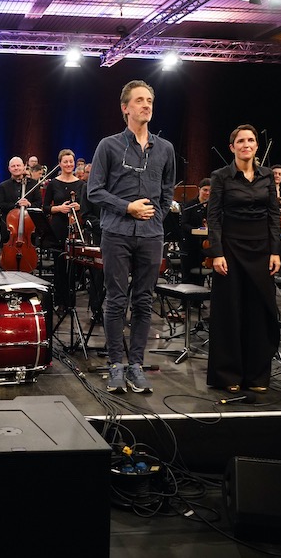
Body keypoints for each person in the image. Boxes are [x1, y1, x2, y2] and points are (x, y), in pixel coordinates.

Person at [87, 80, 175, 394]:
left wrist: (156, 218)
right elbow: (94, 191)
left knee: (143, 300)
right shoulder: (108, 146)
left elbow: (167, 192)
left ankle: (136, 365)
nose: (146, 105)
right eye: (139, 100)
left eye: (149, 100)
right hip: (117, 232)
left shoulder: (165, 149)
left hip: (151, 235)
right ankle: (115, 365)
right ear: (125, 108)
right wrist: (127, 207)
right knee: (115, 299)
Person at [206, 124, 281, 393]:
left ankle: (257, 375)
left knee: (260, 310)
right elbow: (213, 216)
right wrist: (217, 253)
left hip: (262, 251)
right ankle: (228, 375)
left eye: (250, 140)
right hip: (230, 250)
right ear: (232, 147)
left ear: (256, 146)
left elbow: (274, 215)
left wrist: (275, 251)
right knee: (230, 311)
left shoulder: (267, 176)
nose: (246, 144)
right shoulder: (220, 176)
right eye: (240, 141)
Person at [44, 149, 86, 308]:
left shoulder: (81, 184)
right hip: (58, 228)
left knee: (73, 267)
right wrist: (59, 208)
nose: (69, 164)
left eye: (71, 161)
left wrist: (80, 206)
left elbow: (87, 207)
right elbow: (45, 208)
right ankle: (59, 301)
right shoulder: (53, 184)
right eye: (65, 161)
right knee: (59, 265)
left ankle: (70, 302)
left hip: (74, 228)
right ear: (60, 164)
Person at [0, 155, 42, 251]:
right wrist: (16, 205)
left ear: (24, 166)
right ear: (9, 169)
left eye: (18, 165)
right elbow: (1, 205)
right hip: (9, 227)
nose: (16, 168)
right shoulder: (3, 186)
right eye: (13, 166)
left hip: (29, 225)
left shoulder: (33, 184)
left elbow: (39, 203)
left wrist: (29, 204)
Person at [179, 178, 211, 286]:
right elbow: (184, 224)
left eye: (210, 190)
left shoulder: (213, 207)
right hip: (190, 245)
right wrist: (193, 230)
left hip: (205, 246)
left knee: (200, 278)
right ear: (199, 189)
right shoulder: (191, 205)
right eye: (205, 190)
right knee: (188, 277)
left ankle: (199, 296)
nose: (207, 193)